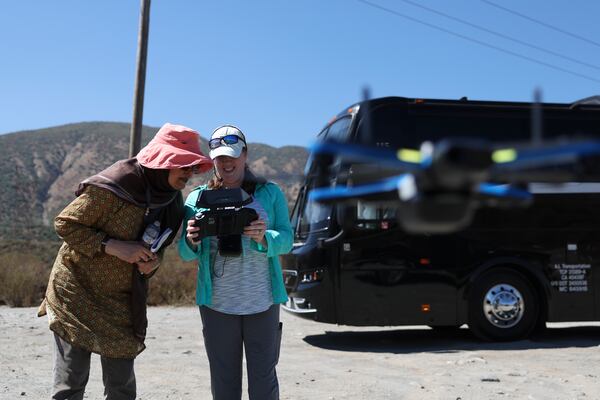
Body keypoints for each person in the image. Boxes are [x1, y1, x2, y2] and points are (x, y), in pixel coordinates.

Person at [37, 123, 213, 400]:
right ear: (165, 162)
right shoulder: (117, 184)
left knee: (121, 387)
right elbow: (66, 224)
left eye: (192, 167)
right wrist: (113, 246)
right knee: (71, 382)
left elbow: (161, 248)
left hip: (121, 301)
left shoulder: (173, 204)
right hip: (76, 292)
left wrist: (152, 263)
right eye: (184, 165)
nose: (189, 173)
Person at [178, 124, 293, 400]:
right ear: (212, 160)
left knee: (264, 381)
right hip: (217, 304)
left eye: (232, 155)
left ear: (245, 155)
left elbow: (287, 239)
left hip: (262, 301)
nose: (226, 162)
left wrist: (265, 237)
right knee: (223, 381)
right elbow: (184, 252)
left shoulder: (269, 193)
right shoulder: (197, 199)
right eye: (220, 157)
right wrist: (192, 239)